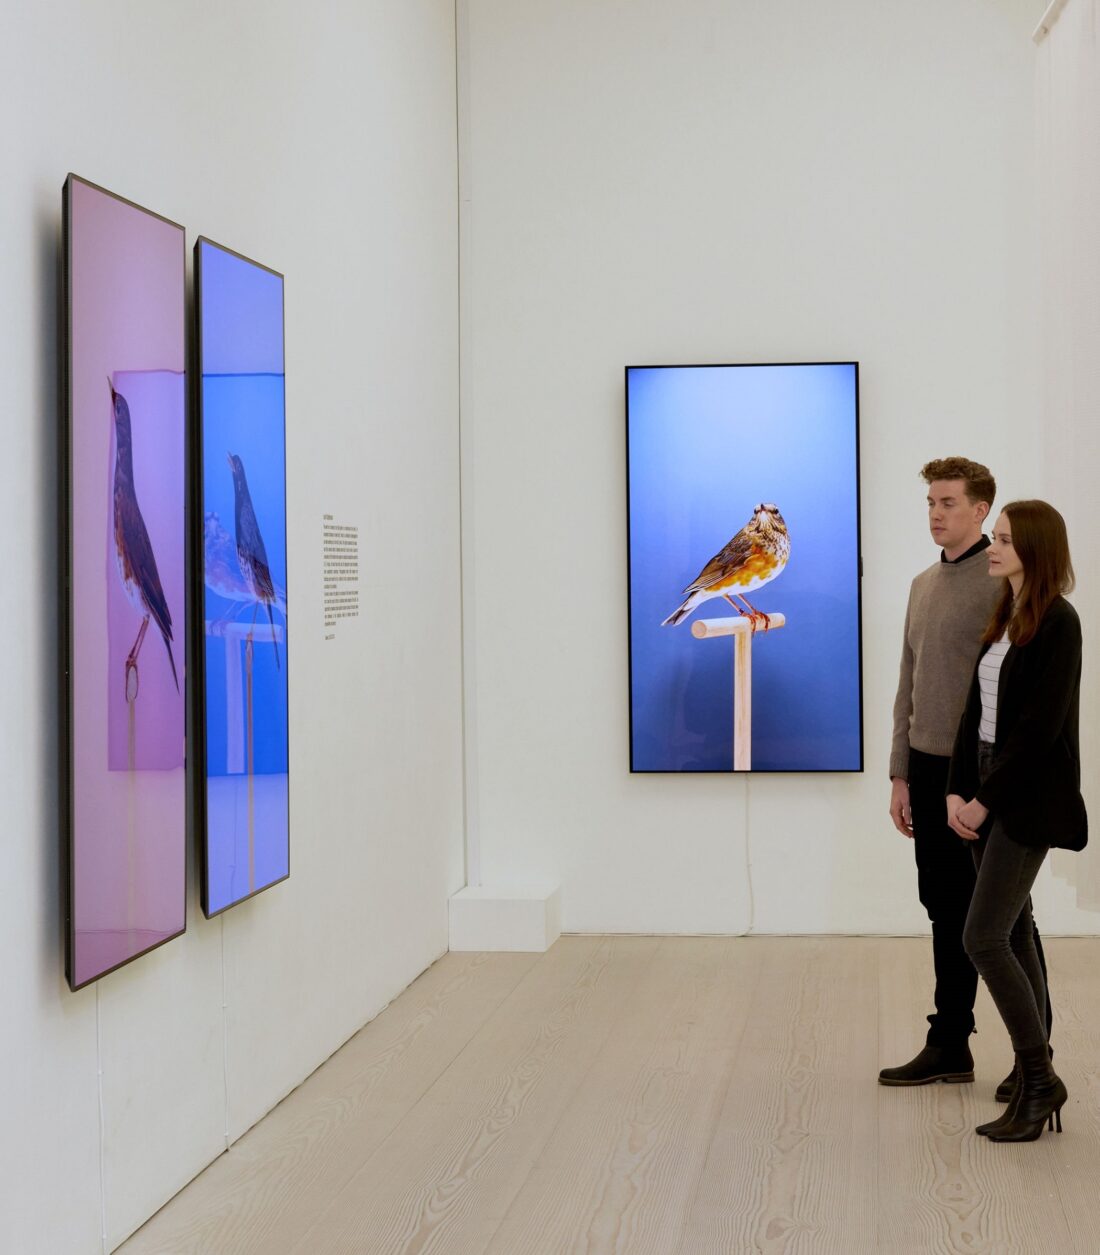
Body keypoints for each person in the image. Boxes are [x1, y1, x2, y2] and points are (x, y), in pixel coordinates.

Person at [880, 458, 1051, 1091]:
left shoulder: (1001, 580)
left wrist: (985, 783)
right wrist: (900, 773)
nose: (935, 513)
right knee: (943, 907)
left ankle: (1036, 1056)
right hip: (925, 771)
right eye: (930, 502)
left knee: (1004, 919)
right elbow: (909, 683)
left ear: (981, 510)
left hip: (978, 772)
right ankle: (950, 1042)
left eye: (948, 502)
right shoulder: (923, 584)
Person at [946, 500, 1086, 1141]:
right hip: (985, 776)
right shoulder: (1004, 614)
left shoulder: (1060, 623)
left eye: (1003, 540)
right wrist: (955, 789)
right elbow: (975, 711)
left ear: (1035, 549)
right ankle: (1038, 1070)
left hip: (1027, 791)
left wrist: (985, 799)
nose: (992, 548)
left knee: (984, 937)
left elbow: (1036, 733)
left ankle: (1039, 1077)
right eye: (994, 537)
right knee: (1015, 924)